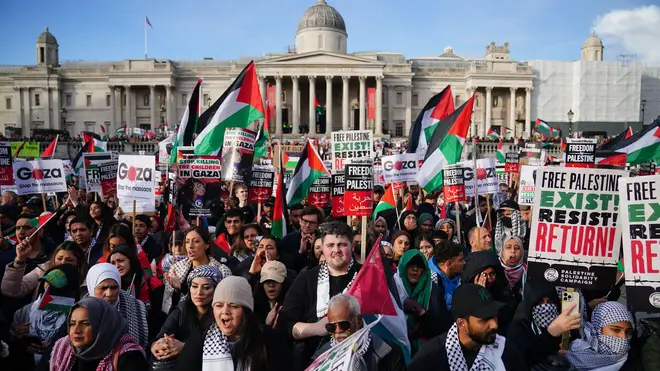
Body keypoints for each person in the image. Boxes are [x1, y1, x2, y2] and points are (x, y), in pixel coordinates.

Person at [279, 221, 361, 370]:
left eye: (342, 244)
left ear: (352, 246)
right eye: (330, 245)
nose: (336, 250)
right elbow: (285, 325)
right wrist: (316, 328)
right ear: (322, 248)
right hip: (316, 360)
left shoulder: (366, 277)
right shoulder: (306, 279)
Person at [408, 284, 527, 371]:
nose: (494, 325)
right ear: (461, 323)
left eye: (495, 317)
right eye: (484, 320)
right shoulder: (431, 357)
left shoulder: (505, 350)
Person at [175, 276, 281, 371]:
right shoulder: (201, 337)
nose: (225, 311)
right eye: (219, 305)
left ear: (246, 311)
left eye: (233, 306)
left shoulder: (266, 338)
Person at [9, 264, 80, 370]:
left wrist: (53, 350)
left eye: (56, 285)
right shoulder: (25, 312)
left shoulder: (76, 315)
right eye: (47, 282)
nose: (49, 287)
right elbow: (9, 346)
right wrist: (19, 338)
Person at [312, 294, 406, 371]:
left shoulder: (389, 352)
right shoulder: (320, 358)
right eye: (331, 327)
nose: (338, 330)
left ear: (359, 320)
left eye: (344, 325)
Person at [50, 297, 148, 371]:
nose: (76, 330)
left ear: (102, 326)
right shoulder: (63, 348)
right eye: (72, 323)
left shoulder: (129, 357)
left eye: (85, 324)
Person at [150, 266, 221, 365]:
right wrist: (157, 345)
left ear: (215, 290)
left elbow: (219, 348)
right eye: (195, 286)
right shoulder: (182, 309)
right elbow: (162, 335)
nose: (199, 292)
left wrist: (185, 347)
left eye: (206, 288)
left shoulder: (220, 314)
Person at [508, 280, 581, 368]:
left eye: (550, 302)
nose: (545, 307)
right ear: (531, 304)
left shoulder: (565, 324)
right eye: (540, 302)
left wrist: (568, 349)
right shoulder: (519, 328)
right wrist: (550, 334)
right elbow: (524, 358)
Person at [163, 227, 232, 314]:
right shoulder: (176, 268)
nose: (190, 246)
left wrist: (181, 287)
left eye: (196, 241)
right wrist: (175, 289)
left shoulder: (222, 271)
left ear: (206, 245)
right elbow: (169, 302)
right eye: (187, 242)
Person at [85, 263, 149, 350]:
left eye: (114, 287)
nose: (109, 294)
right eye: (103, 288)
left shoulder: (137, 308)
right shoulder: (82, 311)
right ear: (92, 287)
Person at [397, 249, 447, 355]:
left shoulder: (433, 291)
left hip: (426, 352)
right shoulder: (394, 288)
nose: (415, 269)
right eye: (411, 265)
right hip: (398, 350)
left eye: (420, 266)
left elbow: (441, 326)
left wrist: (421, 312)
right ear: (403, 267)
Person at [3, 241, 86, 302]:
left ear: (79, 263)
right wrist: (19, 260)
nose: (62, 263)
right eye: (59, 259)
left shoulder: (87, 279)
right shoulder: (42, 271)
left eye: (69, 260)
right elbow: (11, 291)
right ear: (53, 259)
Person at [566, 301, 635, 371]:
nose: (624, 337)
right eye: (616, 330)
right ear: (598, 328)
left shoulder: (635, 361)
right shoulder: (575, 354)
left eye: (628, 332)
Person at [460, 250, 515, 335]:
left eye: (492, 274)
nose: (489, 279)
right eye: (484, 275)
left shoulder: (503, 291)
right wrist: (479, 293)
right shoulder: (463, 295)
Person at [108, 245, 165, 325]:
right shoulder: (110, 288)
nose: (117, 266)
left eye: (120, 260)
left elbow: (159, 316)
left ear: (131, 261)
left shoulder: (153, 284)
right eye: (113, 263)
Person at [281, 206, 323, 272]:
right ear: (300, 221)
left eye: (312, 222)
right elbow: (286, 265)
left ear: (317, 225)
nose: (307, 225)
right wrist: (300, 251)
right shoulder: (288, 239)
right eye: (305, 221)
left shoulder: (323, 239)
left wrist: (314, 248)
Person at [428, 241, 465, 314]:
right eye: (460, 260)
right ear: (449, 263)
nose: (464, 262)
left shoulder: (459, 277)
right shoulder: (431, 282)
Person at [253, 261, 290, 328]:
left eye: (275, 281)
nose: (271, 285)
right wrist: (266, 325)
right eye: (267, 281)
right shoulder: (255, 306)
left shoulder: (291, 304)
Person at [499, 236, 526, 303]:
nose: (513, 251)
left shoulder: (528, 271)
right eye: (508, 247)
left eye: (517, 248)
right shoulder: (495, 270)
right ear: (502, 250)